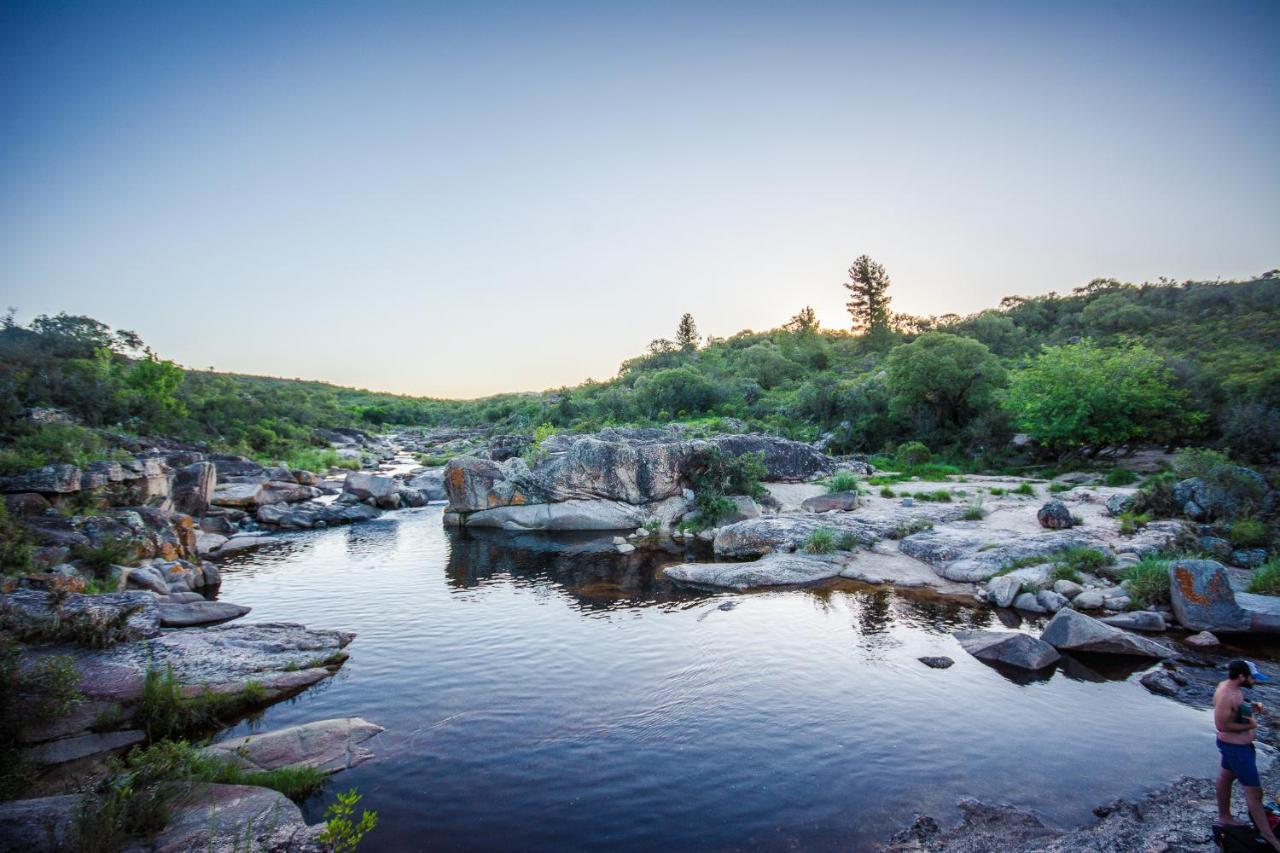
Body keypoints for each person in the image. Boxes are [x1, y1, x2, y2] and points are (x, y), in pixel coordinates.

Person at [1215, 658, 1280, 849]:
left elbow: (1232, 712)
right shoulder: (1229, 694)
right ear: (1242, 676)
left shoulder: (1230, 689)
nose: (1255, 681)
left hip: (1234, 748)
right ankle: (1270, 837)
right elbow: (1221, 725)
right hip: (1237, 749)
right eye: (1253, 678)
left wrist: (1250, 708)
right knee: (1254, 792)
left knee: (1225, 777)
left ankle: (1224, 817)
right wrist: (1251, 724)